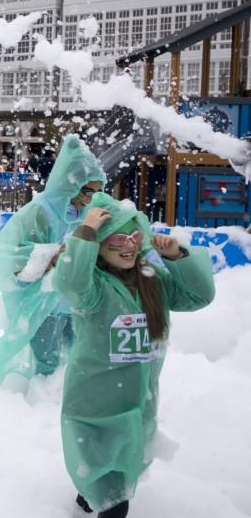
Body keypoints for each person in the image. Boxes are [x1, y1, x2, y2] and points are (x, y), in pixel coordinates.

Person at [53, 193, 215, 517]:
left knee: (115, 469)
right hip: (96, 404)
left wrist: (178, 256)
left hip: (138, 402)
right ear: (98, 245)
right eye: (117, 237)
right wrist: (84, 233)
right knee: (113, 493)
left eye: (134, 236)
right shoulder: (93, 289)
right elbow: (70, 283)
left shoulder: (152, 282)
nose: (128, 244)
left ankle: (86, 498)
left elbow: (199, 296)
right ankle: (95, 495)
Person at [0, 134, 107, 385]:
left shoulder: (88, 211)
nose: (90, 198)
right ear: (70, 184)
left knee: (73, 358)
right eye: (86, 191)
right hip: (41, 301)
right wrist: (49, 255)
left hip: (72, 301)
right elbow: (6, 253)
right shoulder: (40, 211)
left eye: (96, 192)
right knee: (44, 361)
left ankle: (56, 397)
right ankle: (35, 401)